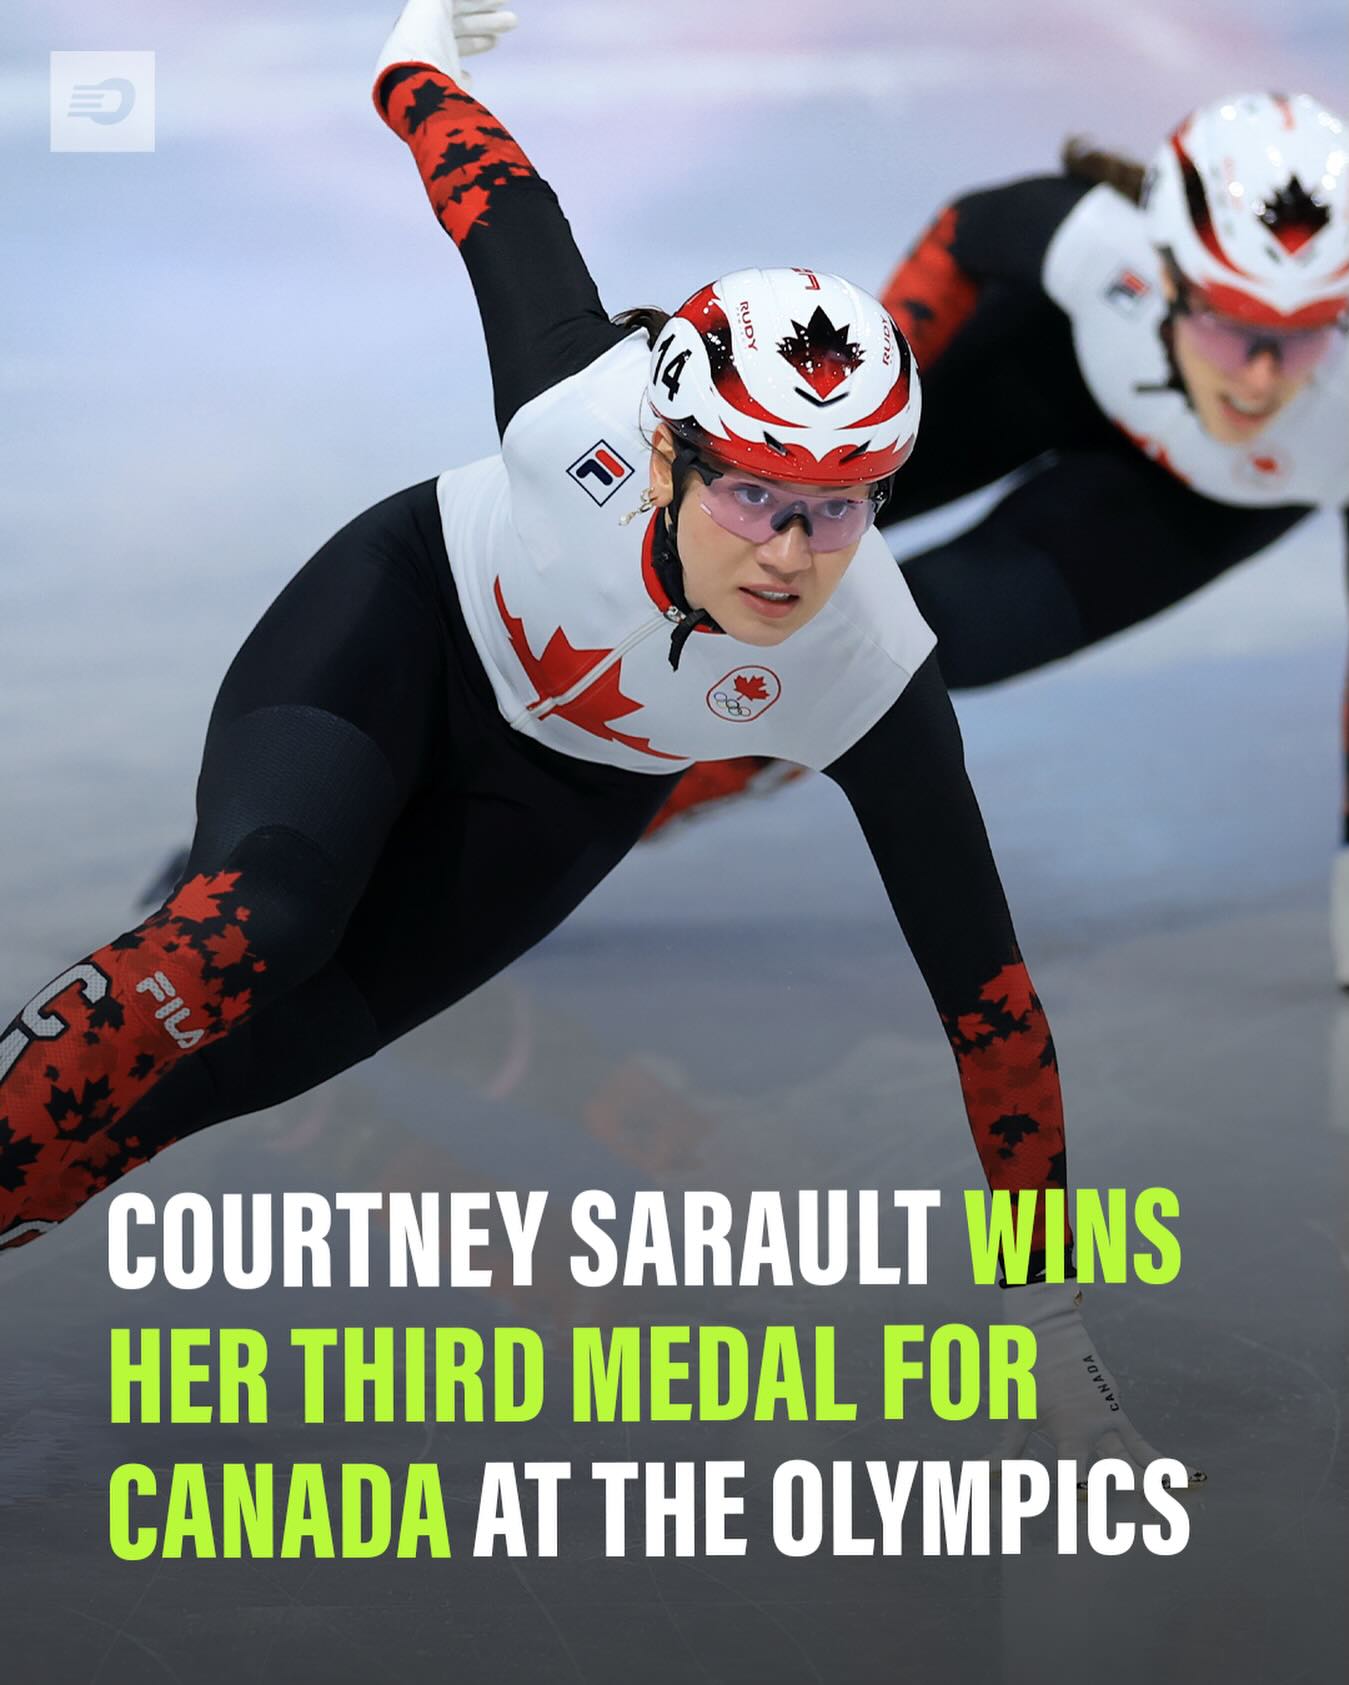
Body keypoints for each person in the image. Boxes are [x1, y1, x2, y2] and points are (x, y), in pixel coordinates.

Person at [0, 0, 1196, 1482]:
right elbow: (491, 186)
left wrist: (1047, 1325)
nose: (794, 550)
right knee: (258, 921)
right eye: (757, 490)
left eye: (841, 502)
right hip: (396, 636)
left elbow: (993, 1011)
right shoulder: (579, 409)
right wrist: (416, 53)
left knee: (198, 1090)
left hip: (555, 801)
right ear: (669, 454)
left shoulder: (869, 669)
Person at [651, 92, 1349, 975]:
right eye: (1227, 323)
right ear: (1163, 271)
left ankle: (613, 799)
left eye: (1297, 341)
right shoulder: (1090, 241)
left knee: (884, 653)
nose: (1255, 380)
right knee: (748, 516)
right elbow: (967, 230)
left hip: (1189, 505)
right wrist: (868, 404)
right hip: (1050, 364)